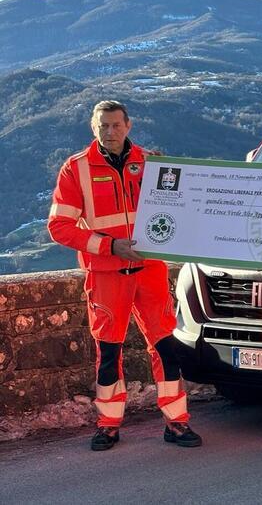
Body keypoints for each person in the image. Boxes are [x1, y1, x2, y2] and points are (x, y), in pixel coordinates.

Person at [47, 100, 202, 451]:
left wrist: (173, 171)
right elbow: (59, 227)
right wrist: (109, 247)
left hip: (149, 271)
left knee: (166, 348)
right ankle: (108, 426)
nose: (110, 131)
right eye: (103, 126)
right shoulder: (77, 169)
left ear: (128, 126)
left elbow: (182, 205)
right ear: (93, 128)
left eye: (116, 125)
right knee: (109, 353)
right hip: (106, 275)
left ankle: (177, 423)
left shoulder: (150, 162)